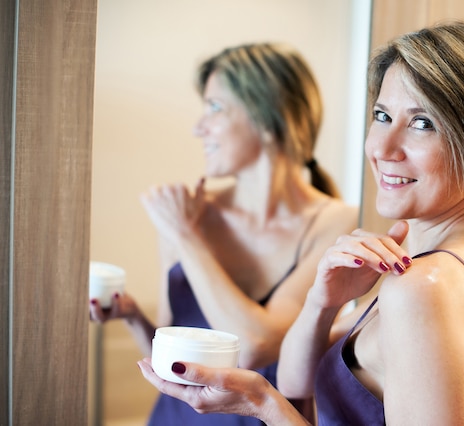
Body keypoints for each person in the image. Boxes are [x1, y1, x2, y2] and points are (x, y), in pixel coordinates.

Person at [137, 20, 464, 425]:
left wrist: (263, 403)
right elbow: (300, 381)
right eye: (382, 115)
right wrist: (323, 301)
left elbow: (284, 388)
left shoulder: (424, 287)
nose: (383, 148)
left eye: (422, 123)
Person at [90, 42, 358, 425]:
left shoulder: (335, 223)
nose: (198, 128)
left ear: (268, 115)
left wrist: (186, 235)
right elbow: (168, 357)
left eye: (214, 107)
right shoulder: (190, 213)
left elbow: (254, 345)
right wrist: (132, 315)